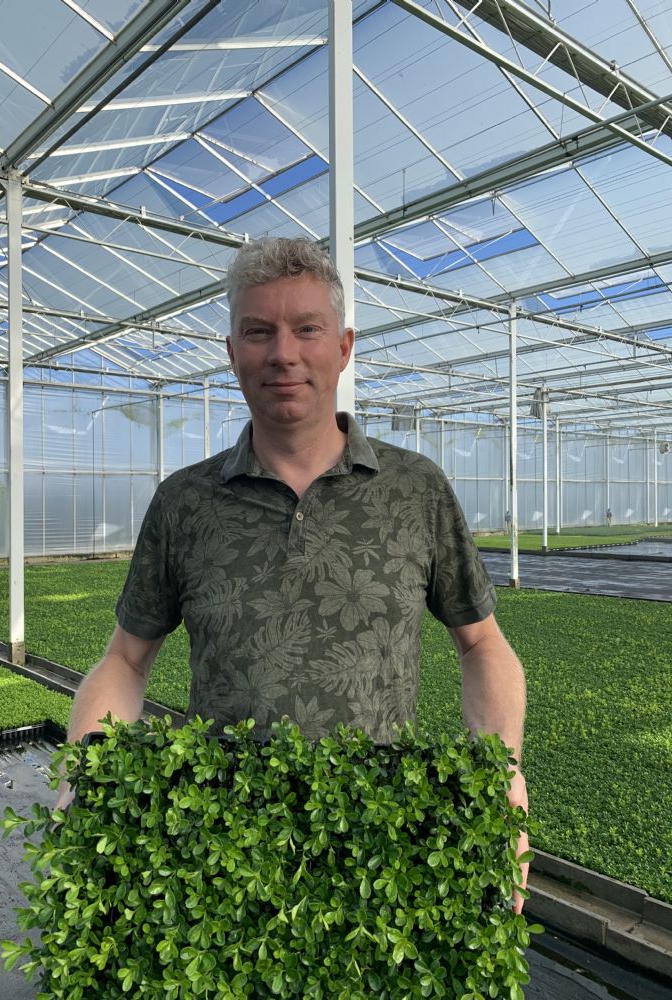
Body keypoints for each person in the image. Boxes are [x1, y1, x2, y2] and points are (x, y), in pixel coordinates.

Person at [57, 237, 529, 912]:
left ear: (342, 347)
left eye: (307, 329)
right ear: (231, 352)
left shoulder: (415, 490)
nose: (283, 354)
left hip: (378, 853)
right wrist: (86, 769)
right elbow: (127, 661)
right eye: (258, 332)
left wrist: (503, 774)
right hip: (216, 857)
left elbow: (481, 643)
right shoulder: (186, 502)